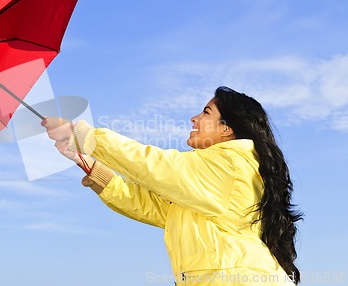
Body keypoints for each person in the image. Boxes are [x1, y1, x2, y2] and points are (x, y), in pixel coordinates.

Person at [42, 86, 302, 285]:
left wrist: (81, 134)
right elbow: (151, 206)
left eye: (206, 112)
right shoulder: (205, 181)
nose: (194, 118)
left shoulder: (231, 163)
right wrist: (86, 162)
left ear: (227, 130)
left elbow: (156, 166)